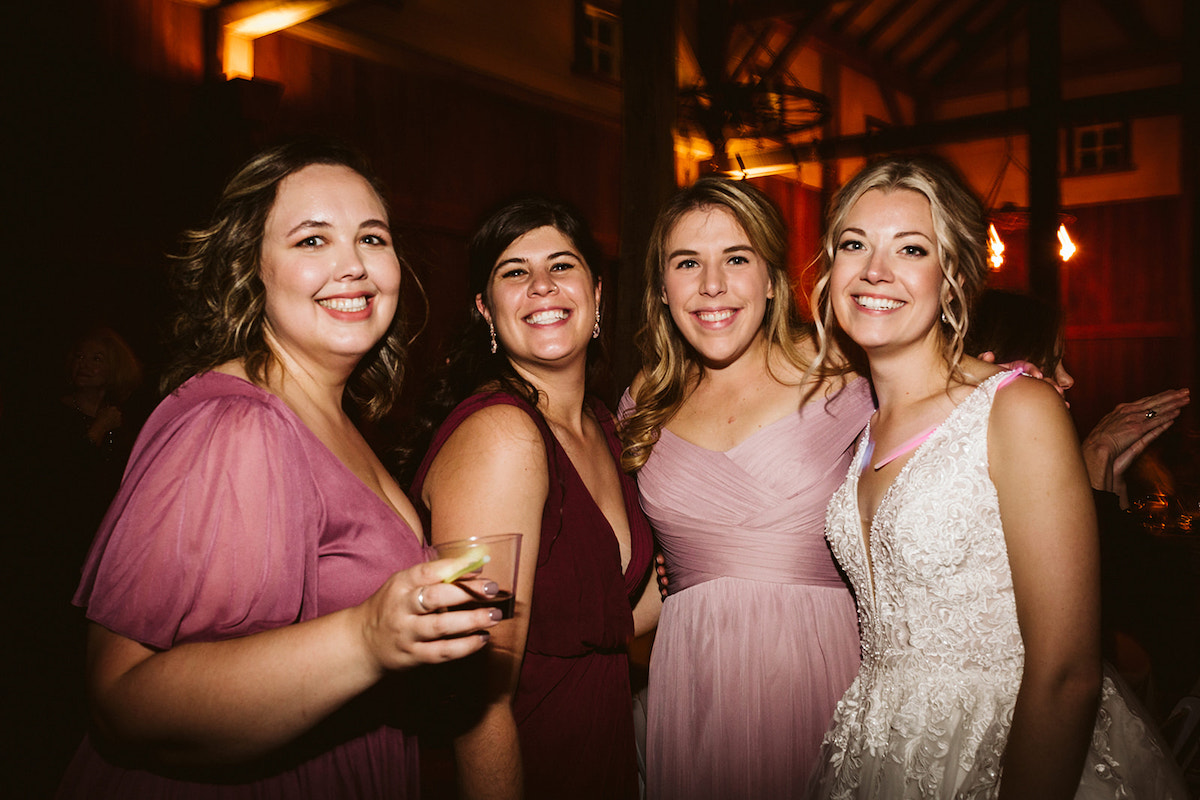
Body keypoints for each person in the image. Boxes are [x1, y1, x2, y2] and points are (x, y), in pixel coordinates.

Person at [57, 139, 501, 798]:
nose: (353, 266)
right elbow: (121, 699)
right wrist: (366, 638)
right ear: (251, 268)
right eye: (312, 241)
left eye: (372, 239)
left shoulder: (337, 419)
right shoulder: (239, 423)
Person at [806, 154, 1186, 798]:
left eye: (911, 249)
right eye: (854, 244)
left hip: (1009, 742)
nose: (874, 270)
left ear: (952, 278)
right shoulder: (863, 427)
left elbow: (1068, 670)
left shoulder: (1016, 407)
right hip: (879, 746)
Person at [618, 176, 872, 798]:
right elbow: (628, 570)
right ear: (662, 287)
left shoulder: (848, 380)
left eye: (737, 258)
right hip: (691, 680)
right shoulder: (641, 406)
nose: (712, 285)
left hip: (823, 668)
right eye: (687, 263)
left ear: (771, 278)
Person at [407, 198, 656, 800]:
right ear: (484, 309)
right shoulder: (503, 435)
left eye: (562, 266)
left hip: (602, 747)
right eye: (514, 272)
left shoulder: (606, 424)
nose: (542, 285)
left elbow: (604, 616)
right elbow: (476, 693)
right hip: (526, 756)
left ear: (597, 294)